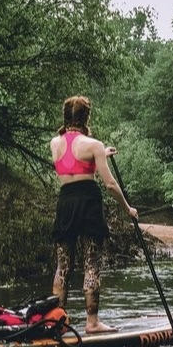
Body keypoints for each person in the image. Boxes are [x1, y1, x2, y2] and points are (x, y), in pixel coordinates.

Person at [50, 96, 137, 333]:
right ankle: (92, 323)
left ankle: (58, 324)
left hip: (65, 202)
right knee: (91, 264)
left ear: (66, 116)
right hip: (88, 202)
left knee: (63, 266)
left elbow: (72, 163)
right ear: (86, 118)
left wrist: (102, 155)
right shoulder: (93, 145)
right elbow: (109, 184)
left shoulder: (54, 143)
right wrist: (127, 208)